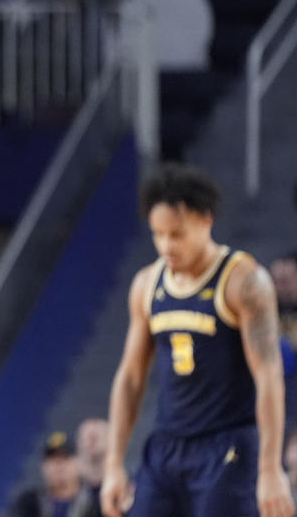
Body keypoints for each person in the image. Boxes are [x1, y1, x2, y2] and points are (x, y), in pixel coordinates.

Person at [101, 164, 295, 517]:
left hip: (228, 447)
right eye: (158, 234)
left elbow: (269, 376)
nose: (165, 245)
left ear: (206, 220)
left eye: (176, 234)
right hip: (166, 447)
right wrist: (114, 464)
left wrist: (270, 469)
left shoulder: (245, 282)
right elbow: (130, 378)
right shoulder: (147, 284)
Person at [8, 431, 98, 517]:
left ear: (79, 463)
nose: (59, 464)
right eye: (52, 459)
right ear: (43, 466)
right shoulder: (28, 503)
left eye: (65, 457)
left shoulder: (95, 502)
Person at [74, 417, 107, 505]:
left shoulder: (125, 488)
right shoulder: (67, 490)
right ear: (79, 442)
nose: (91, 442)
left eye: (95, 437)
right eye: (87, 437)